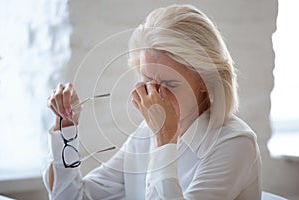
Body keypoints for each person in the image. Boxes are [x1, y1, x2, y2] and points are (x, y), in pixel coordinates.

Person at [44, 4, 261, 200]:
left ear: (205, 80)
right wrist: (67, 128)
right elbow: (73, 197)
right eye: (147, 80)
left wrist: (164, 140)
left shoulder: (235, 144)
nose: (156, 97)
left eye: (170, 84)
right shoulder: (145, 135)